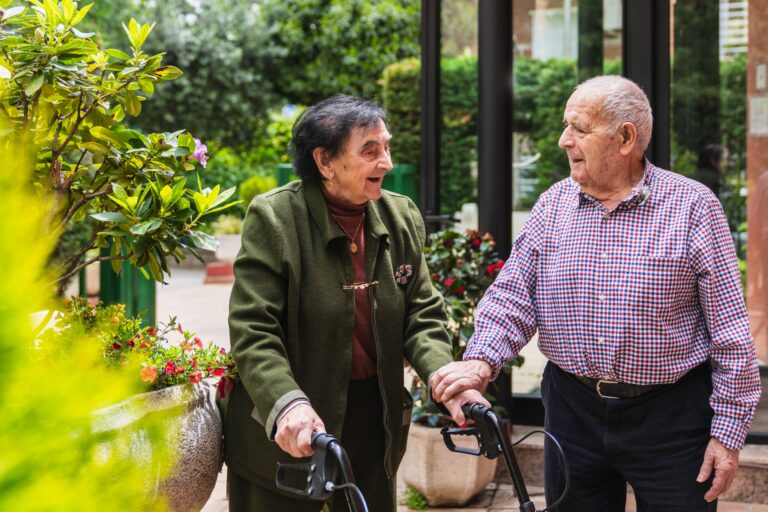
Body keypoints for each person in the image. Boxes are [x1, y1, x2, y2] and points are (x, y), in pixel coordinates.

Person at [430, 75, 762, 511]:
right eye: (566, 126)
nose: (564, 140)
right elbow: (513, 296)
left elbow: (731, 333)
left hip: (672, 417)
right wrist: (480, 361)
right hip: (573, 411)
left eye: (579, 128)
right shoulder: (553, 206)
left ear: (626, 138)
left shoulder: (694, 207)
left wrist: (728, 433)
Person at [225, 94, 484, 511]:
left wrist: (444, 378)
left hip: (373, 415)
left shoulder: (401, 217)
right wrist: (287, 402)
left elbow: (422, 314)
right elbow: (254, 331)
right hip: (292, 421)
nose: (387, 163)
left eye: (387, 146)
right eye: (370, 150)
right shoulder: (275, 219)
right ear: (325, 162)